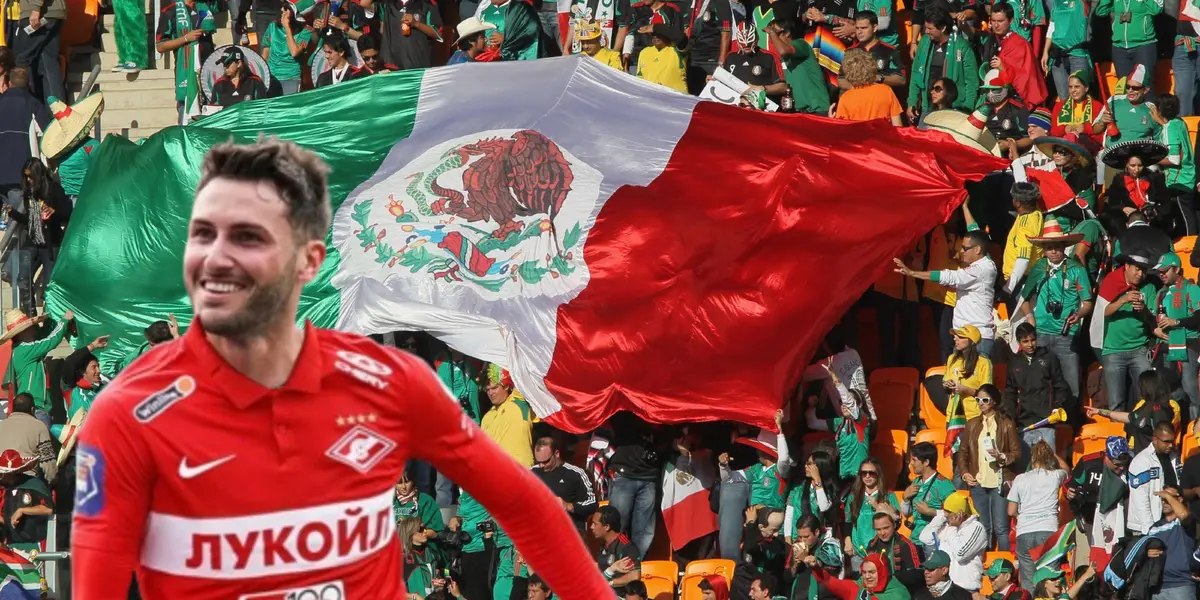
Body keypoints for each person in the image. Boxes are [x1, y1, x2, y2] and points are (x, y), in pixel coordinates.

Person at [70, 139, 611, 599]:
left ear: (307, 261)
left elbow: (524, 504)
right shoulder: (128, 412)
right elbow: (101, 571)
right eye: (206, 235)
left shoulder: (389, 381)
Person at [1017, 219, 1094, 403]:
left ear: (1064, 247)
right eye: (1049, 247)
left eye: (1057, 247)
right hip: (1041, 334)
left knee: (1071, 384)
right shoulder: (1038, 268)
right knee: (1040, 382)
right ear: (1043, 249)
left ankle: (1072, 421)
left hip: (1066, 335)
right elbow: (1024, 300)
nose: (1053, 251)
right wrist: (1030, 319)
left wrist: (1078, 315)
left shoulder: (1076, 269)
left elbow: (1087, 303)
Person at [893, 230, 997, 356]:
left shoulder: (981, 269)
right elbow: (973, 226)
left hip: (977, 340)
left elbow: (949, 276)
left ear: (977, 249)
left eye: (965, 248)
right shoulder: (985, 263)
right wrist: (964, 208)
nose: (962, 251)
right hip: (964, 338)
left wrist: (912, 273)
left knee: (979, 376)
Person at [957, 383, 1019, 552]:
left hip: (999, 481)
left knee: (1001, 528)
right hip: (978, 482)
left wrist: (1003, 457)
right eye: (978, 400)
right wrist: (964, 473)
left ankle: (1004, 566)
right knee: (983, 528)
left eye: (985, 400)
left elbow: (1016, 452)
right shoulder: (972, 424)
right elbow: (962, 453)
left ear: (994, 401)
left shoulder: (1006, 423)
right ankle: (984, 565)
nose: (981, 403)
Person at [1091, 253, 1156, 412]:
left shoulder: (1149, 288)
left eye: (1143, 271)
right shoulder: (1112, 283)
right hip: (1113, 351)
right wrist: (1123, 300)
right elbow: (1102, 312)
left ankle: (1144, 433)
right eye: (1137, 269)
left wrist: (1144, 310)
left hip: (1139, 349)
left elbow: (1153, 319)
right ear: (1126, 266)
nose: (1140, 274)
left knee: (1147, 398)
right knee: (1116, 402)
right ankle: (1117, 436)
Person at [1002, 323, 1072, 458]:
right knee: (1025, 468)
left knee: (1047, 467)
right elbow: (1010, 392)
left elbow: (1060, 386)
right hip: (1022, 424)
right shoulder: (1014, 362)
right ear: (1018, 342)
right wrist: (1010, 416)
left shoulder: (1049, 357)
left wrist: (1057, 406)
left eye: (1033, 340)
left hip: (1046, 422)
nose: (1030, 344)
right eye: (1025, 341)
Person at [1007, 441, 1069, 591]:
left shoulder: (1020, 478)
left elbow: (1010, 510)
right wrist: (1052, 453)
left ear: (1032, 458)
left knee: (1028, 584)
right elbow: (1067, 469)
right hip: (1048, 531)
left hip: (1024, 532)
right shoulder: (1055, 475)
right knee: (1050, 580)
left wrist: (1021, 515)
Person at [3, 309, 73, 429]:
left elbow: (43, 336)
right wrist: (64, 320)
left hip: (35, 406)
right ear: (24, 331)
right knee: (42, 445)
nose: (35, 328)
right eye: (31, 326)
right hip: (35, 406)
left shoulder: (22, 348)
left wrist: (48, 320)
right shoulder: (24, 350)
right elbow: (50, 341)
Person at [1150, 252, 1200, 419]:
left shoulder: (1191, 289)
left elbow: (1198, 318)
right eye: (1159, 271)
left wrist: (1176, 322)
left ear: (1177, 269)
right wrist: (1154, 329)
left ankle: (1196, 431)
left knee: (1190, 389)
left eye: (1165, 271)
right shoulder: (1161, 294)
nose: (1161, 274)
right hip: (1164, 347)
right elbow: (1154, 319)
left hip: (1187, 345)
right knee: (1164, 392)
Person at [906, 8, 977, 120]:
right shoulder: (924, 42)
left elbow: (972, 81)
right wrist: (912, 101)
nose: (926, 31)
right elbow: (915, 73)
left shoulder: (961, 46)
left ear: (943, 28)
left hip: (954, 111)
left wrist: (967, 108)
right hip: (927, 108)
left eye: (930, 28)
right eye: (926, 28)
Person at [155, 0, 217, 124]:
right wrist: (185, 38)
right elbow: (160, 46)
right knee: (186, 118)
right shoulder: (169, 12)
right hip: (187, 70)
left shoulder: (205, 7)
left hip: (208, 71)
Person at [979, 3, 1046, 110]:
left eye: (1000, 21)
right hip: (993, 97)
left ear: (1010, 21)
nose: (996, 25)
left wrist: (1003, 68)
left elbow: (1025, 78)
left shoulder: (1020, 44)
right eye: (993, 21)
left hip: (1015, 102)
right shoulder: (989, 41)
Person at [531, 430, 598, 534]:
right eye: (538, 462)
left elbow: (592, 504)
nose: (542, 466)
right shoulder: (531, 473)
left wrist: (569, 506)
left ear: (556, 454)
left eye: (546, 461)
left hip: (569, 534)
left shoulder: (576, 474)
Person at [843, 458, 901, 571]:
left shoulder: (889, 496)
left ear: (878, 474)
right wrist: (847, 541)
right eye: (863, 473)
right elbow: (848, 521)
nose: (867, 476)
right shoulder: (853, 496)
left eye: (871, 473)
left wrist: (878, 507)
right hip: (858, 551)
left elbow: (897, 522)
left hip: (881, 551)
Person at [805, 379, 869, 481]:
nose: (844, 405)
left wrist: (836, 380)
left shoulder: (862, 421)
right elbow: (813, 423)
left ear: (859, 405)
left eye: (849, 402)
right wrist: (812, 406)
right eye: (841, 402)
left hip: (859, 476)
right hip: (843, 475)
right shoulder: (839, 422)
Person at [1096, 0, 1160, 101]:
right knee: (1125, 86)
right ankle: (1128, 114)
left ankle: (1149, 115)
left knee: (1144, 86)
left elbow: (1156, 10)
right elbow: (1101, 11)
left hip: (1143, 46)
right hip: (1119, 48)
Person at [766, 19, 831, 116]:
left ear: (787, 33)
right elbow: (789, 85)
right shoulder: (782, 59)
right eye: (770, 36)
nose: (772, 39)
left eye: (775, 33)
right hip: (799, 111)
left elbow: (783, 50)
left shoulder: (801, 44)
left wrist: (771, 31)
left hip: (818, 109)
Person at [900, 442, 957, 553]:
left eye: (914, 460)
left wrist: (931, 512)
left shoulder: (944, 485)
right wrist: (905, 498)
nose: (911, 464)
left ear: (926, 462)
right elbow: (907, 514)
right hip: (915, 540)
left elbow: (956, 515)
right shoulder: (916, 482)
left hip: (934, 543)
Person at [1126, 421, 1181, 535]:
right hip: (1145, 528)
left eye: (1172, 441)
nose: (1170, 445)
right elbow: (1140, 499)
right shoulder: (1142, 461)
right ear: (1155, 440)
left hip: (1170, 523)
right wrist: (1151, 530)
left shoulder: (1175, 457)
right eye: (1166, 442)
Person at [1153, 94, 1197, 236]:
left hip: (1178, 181)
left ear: (1159, 110)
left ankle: (1190, 248)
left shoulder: (1169, 128)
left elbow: (1174, 159)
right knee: (1187, 216)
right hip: (1188, 176)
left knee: (1185, 219)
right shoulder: (1179, 122)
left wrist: (1150, 160)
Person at [10, 0, 67, 103]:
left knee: (21, 61)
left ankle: (24, 109)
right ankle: (57, 112)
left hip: (38, 13)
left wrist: (35, 9)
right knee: (48, 64)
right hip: (54, 13)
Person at [1104, 140, 1172, 225]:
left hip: (1152, 219)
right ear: (1126, 165)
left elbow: (1165, 201)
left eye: (1140, 166)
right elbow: (1112, 204)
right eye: (1133, 166)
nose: (1136, 170)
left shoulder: (1154, 178)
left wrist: (1155, 211)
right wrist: (1123, 208)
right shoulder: (1119, 180)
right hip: (1128, 220)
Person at [1095, 66, 1161, 145]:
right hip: (1112, 153)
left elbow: (1159, 140)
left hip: (1140, 154)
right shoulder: (1113, 101)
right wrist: (1103, 122)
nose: (1130, 90)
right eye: (1127, 87)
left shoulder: (1152, 109)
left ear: (1145, 90)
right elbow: (1095, 130)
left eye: (1135, 88)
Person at [834, 48, 902, 124]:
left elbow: (843, 131)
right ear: (872, 66)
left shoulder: (845, 98)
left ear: (847, 72)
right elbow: (898, 126)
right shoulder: (886, 91)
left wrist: (832, 120)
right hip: (885, 135)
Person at [939, 325, 993, 420]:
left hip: (974, 415)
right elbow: (944, 382)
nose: (955, 338)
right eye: (955, 336)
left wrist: (966, 390)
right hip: (953, 416)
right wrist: (947, 384)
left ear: (972, 341)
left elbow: (987, 394)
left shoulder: (984, 363)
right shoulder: (952, 358)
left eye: (961, 336)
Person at [0, 392, 57, 484]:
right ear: (32, 409)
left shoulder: (1, 425)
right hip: (27, 481)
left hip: (3, 479)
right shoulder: (39, 426)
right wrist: (52, 482)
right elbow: (48, 462)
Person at [809, 553, 912, 600]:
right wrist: (816, 567)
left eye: (871, 572)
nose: (867, 576)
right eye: (864, 572)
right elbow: (829, 581)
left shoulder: (899, 594)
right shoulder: (857, 586)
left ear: (882, 573)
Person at [259, 4, 311, 95]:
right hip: (272, 77)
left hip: (291, 77)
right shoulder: (273, 26)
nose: (282, 12)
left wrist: (287, 27)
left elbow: (294, 52)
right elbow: (266, 50)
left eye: (287, 10)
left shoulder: (306, 31)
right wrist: (262, 74)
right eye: (283, 10)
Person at [476, 0, 551, 61]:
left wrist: (507, 38)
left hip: (510, 59)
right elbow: (473, 29)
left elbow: (531, 33)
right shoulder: (484, 6)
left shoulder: (521, 8)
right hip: (484, 58)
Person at [591, 506, 642, 594]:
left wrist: (611, 583)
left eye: (595, 524)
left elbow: (634, 576)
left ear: (607, 527)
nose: (591, 527)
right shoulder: (603, 547)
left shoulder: (626, 547)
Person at [1049, 72, 1104, 150]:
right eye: (1070, 87)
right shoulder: (1059, 106)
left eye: (1077, 87)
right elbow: (1053, 132)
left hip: (1087, 148)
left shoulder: (1097, 106)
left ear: (1086, 88)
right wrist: (1064, 129)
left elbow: (1100, 135)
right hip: (1064, 147)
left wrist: (1084, 128)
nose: (1073, 90)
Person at [636, 24, 689, 93]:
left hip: (676, 99)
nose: (655, 36)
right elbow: (639, 79)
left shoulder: (676, 49)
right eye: (653, 34)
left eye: (659, 33)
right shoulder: (644, 52)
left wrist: (654, 27)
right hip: (652, 99)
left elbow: (681, 37)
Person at [392, 467, 444, 532]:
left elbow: (435, 530)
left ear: (413, 481)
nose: (404, 487)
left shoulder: (425, 500)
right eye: (399, 483)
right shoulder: (390, 502)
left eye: (407, 482)